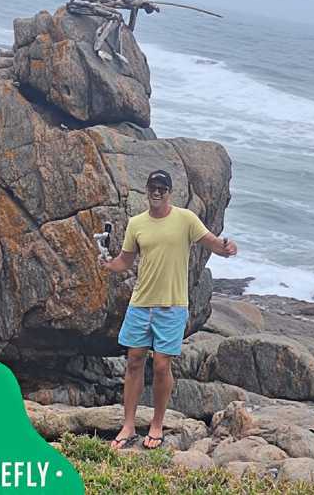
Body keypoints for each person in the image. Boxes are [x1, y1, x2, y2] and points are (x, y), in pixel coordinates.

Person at [100, 170, 237, 450]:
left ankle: (157, 424)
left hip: (172, 306)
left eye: (162, 188)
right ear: (146, 189)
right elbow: (125, 261)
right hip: (140, 304)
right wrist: (108, 264)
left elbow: (212, 242)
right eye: (153, 187)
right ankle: (128, 426)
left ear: (169, 192)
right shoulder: (137, 223)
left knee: (162, 365)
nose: (157, 192)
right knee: (134, 361)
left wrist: (226, 247)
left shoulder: (185, 219)